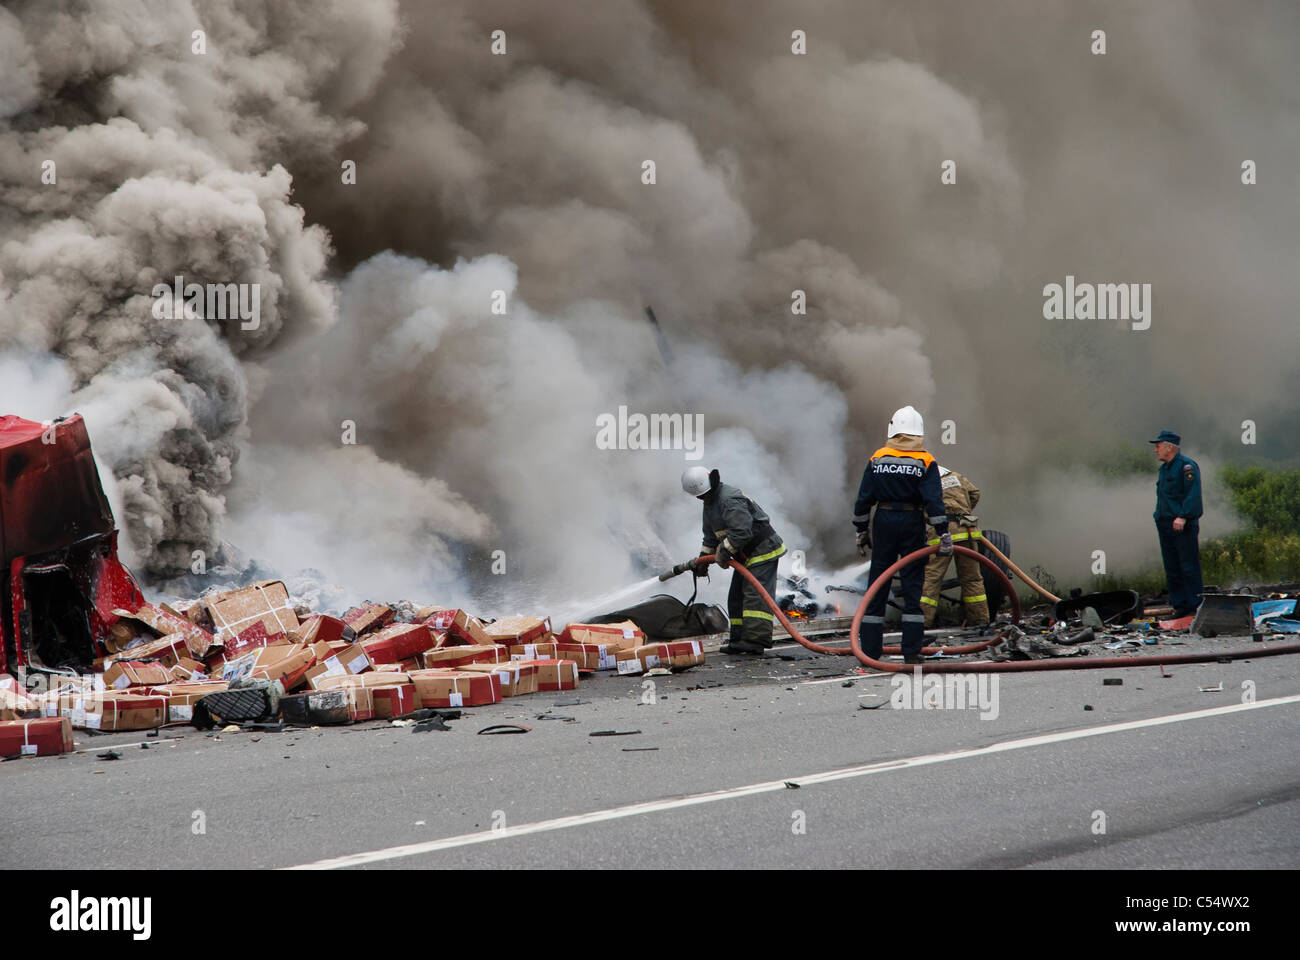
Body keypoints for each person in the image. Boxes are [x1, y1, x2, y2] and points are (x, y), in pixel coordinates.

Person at [852, 406, 950, 663]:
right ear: (919, 432)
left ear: (892, 429)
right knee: (912, 586)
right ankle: (911, 653)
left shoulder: (877, 458)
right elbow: (934, 502)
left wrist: (861, 530)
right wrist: (943, 533)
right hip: (912, 522)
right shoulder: (926, 461)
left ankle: (870, 653)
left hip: (883, 521)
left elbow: (864, 499)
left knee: (878, 584)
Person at [682, 466, 787, 655]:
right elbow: (711, 538)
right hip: (746, 556)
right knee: (736, 597)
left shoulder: (729, 499)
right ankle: (739, 639)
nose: (699, 499)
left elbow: (742, 532)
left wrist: (723, 552)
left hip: (762, 550)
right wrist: (702, 561)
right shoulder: (710, 502)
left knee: (754, 597)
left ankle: (755, 641)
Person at [920, 466, 990, 628]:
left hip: (942, 531)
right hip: (968, 528)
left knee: (932, 578)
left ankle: (922, 621)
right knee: (972, 577)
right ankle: (980, 620)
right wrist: (964, 510)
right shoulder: (956, 476)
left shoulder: (926, 481)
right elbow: (975, 494)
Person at [1150, 429, 1203, 618]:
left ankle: (1196, 606)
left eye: (1158, 446)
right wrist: (1159, 516)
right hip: (1165, 524)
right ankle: (1180, 607)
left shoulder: (1186, 467)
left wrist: (1183, 516)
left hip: (1182, 525)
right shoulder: (1164, 469)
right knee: (1172, 567)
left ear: (1169, 447)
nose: (1156, 450)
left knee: (1188, 566)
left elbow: (1193, 495)